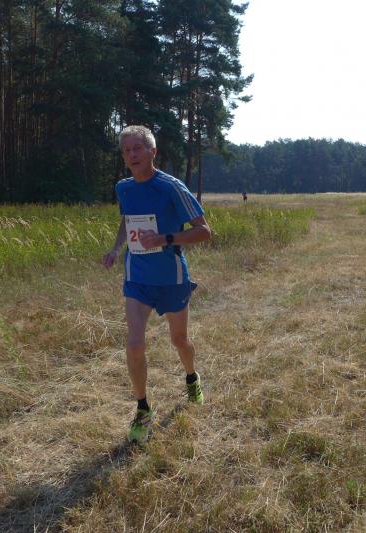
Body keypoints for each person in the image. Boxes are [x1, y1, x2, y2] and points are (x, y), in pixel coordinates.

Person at [103, 125, 212, 444]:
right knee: (134, 344)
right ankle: (142, 410)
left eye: (137, 148)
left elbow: (204, 231)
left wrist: (165, 238)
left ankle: (192, 378)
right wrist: (116, 248)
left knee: (180, 340)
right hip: (137, 278)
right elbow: (127, 220)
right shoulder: (124, 188)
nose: (132, 155)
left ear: (153, 151)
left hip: (171, 278)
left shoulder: (171, 187)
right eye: (126, 150)